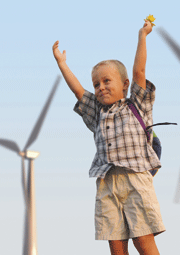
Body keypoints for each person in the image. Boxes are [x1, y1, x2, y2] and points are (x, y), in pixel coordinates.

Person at [53, 19, 165, 255]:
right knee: (116, 245)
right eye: (96, 84)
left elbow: (139, 71)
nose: (101, 87)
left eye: (106, 81)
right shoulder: (97, 114)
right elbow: (77, 91)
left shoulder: (137, 104)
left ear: (125, 85)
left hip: (135, 178)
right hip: (107, 183)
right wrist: (62, 64)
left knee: (142, 241)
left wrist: (142, 36)